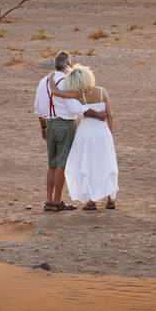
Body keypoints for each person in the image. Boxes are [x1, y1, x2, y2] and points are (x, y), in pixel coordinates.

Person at [33, 51, 107, 212]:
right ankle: (57, 201)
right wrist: (97, 114)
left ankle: (49, 200)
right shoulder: (67, 81)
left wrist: (43, 127)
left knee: (52, 164)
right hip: (65, 124)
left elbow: (38, 109)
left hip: (50, 124)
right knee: (62, 164)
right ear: (68, 64)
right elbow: (77, 109)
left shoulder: (43, 81)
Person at [47, 64, 118, 210]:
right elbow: (109, 115)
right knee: (107, 163)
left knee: (89, 165)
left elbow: (56, 92)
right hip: (102, 132)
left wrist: (50, 79)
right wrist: (109, 133)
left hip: (86, 133)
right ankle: (111, 199)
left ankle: (92, 201)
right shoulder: (102, 91)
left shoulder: (79, 95)